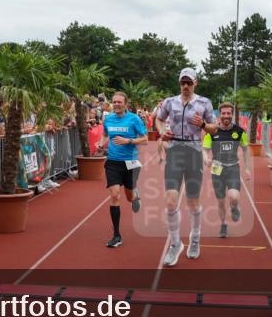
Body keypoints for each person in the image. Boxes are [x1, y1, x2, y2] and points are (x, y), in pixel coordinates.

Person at [155, 68, 216, 266]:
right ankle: (175, 244)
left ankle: (195, 239)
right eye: (183, 82)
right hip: (174, 151)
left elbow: (214, 128)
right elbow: (158, 118)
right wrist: (162, 131)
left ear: (195, 83)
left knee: (192, 202)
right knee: (171, 201)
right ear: (179, 83)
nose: (186, 86)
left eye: (189, 82)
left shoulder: (204, 102)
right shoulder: (169, 102)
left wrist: (203, 125)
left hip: (194, 151)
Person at [98, 92, 147, 248]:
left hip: (130, 162)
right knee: (114, 195)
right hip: (112, 162)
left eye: (119, 102)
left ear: (126, 103)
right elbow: (105, 135)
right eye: (114, 102)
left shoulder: (134, 119)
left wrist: (128, 140)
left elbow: (145, 139)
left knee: (128, 196)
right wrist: (101, 144)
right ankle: (117, 235)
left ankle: (135, 195)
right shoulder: (108, 119)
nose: (117, 104)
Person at [203, 103, 252, 239]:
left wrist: (247, 168)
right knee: (220, 201)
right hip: (217, 168)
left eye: (228, 113)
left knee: (234, 197)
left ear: (232, 114)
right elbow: (204, 149)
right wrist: (206, 158)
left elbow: (246, 149)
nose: (226, 116)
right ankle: (223, 224)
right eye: (223, 113)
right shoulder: (212, 131)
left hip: (233, 167)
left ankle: (234, 207)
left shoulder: (240, 132)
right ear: (219, 115)